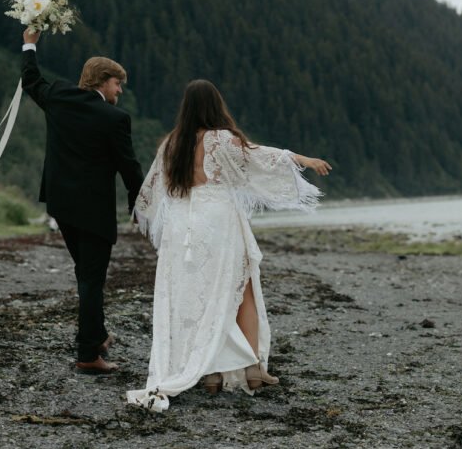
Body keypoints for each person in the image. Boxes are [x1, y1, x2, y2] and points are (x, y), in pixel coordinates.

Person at [126, 79, 331, 411]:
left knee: (199, 295)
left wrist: (144, 218)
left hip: (182, 227)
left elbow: (149, 195)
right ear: (215, 105)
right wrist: (303, 160)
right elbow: (260, 157)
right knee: (241, 289)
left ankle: (211, 376)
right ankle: (253, 370)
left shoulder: (171, 143)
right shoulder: (223, 140)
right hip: (217, 222)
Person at [20, 29, 144, 374]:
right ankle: (89, 354)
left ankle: (98, 334)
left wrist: (30, 41)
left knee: (85, 272)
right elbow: (129, 167)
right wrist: (138, 204)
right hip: (93, 211)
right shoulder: (115, 119)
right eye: (118, 83)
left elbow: (30, 79)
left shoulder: (58, 96)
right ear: (102, 81)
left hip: (60, 204)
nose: (120, 90)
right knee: (91, 278)